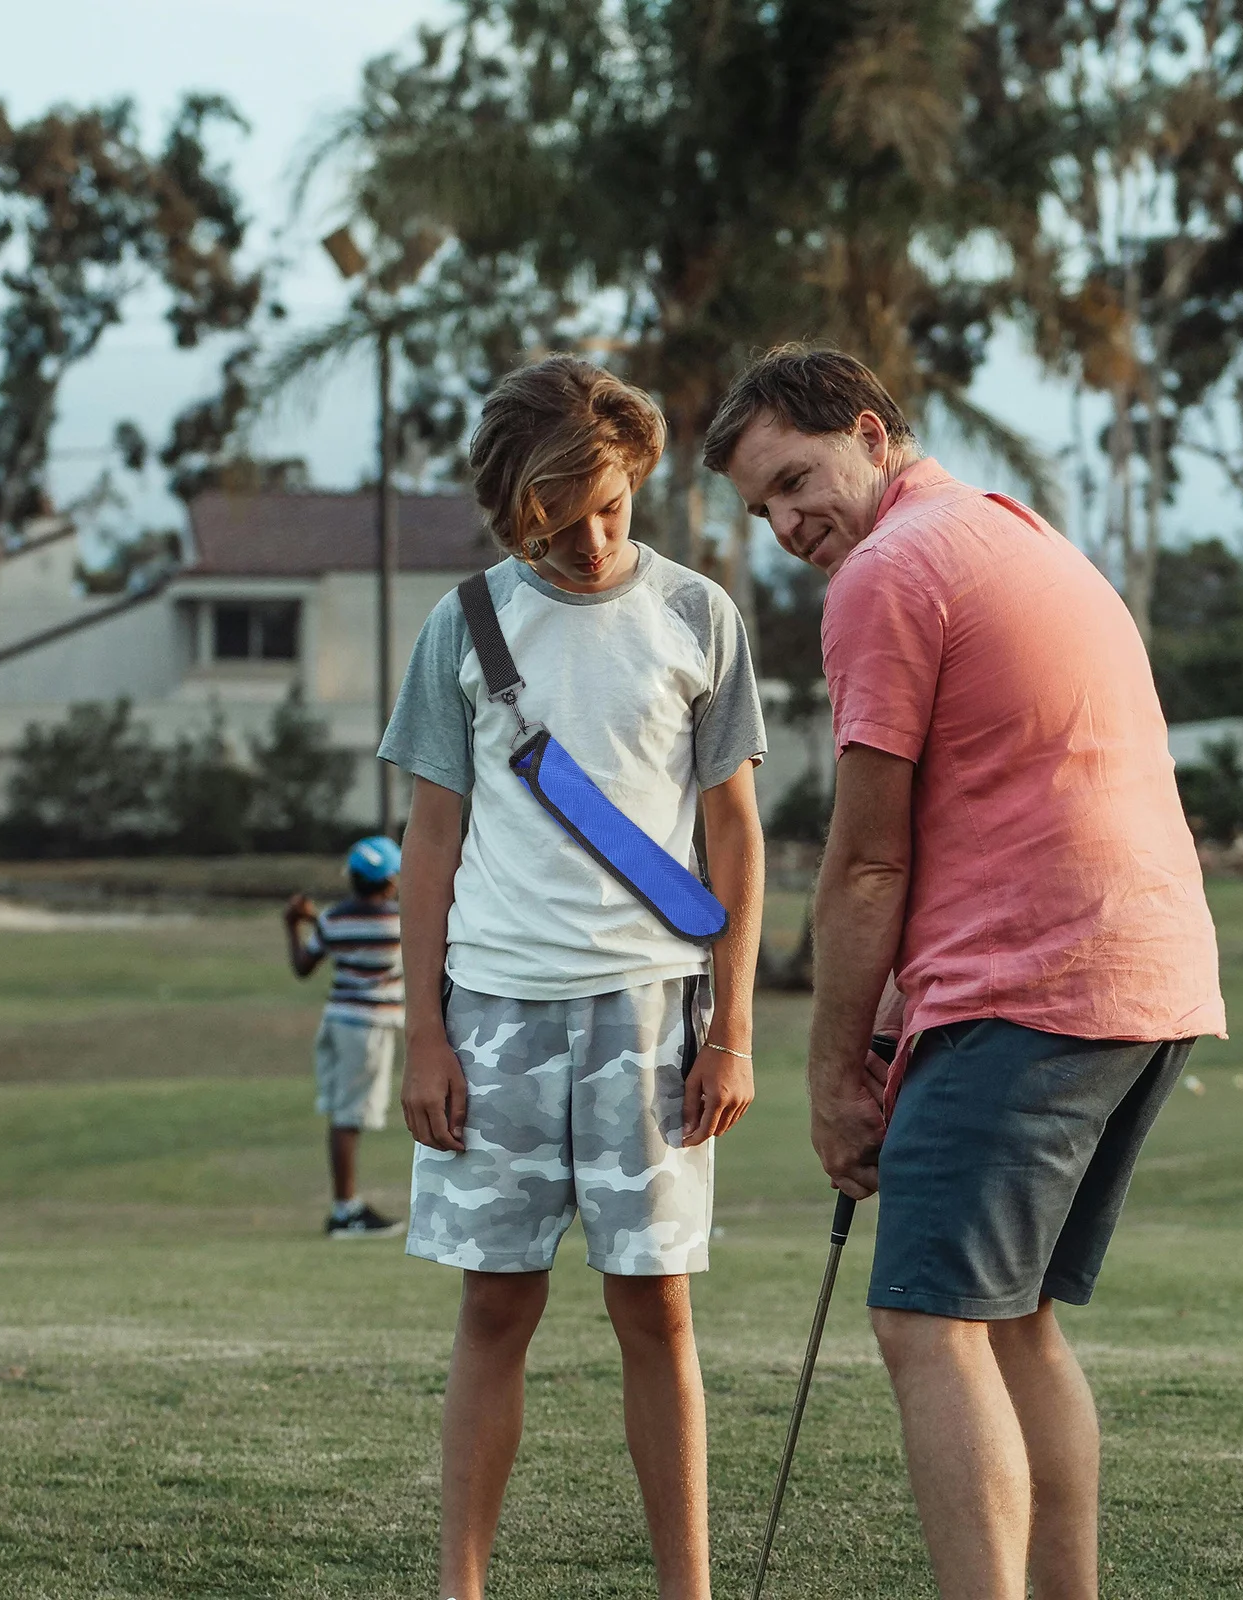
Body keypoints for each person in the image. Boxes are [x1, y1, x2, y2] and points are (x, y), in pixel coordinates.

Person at [705, 344, 1226, 1600]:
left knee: (926, 1322)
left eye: (795, 479)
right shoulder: (1013, 532)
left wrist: (833, 1074)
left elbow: (868, 860)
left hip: (1033, 984)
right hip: (1144, 979)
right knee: (1009, 1319)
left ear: (872, 435)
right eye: (760, 507)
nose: (784, 524)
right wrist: (895, 1005)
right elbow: (995, 800)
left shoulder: (887, 570)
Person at [378, 355, 766, 1600]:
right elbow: (429, 843)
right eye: (563, 510)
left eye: (613, 505)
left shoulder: (699, 616)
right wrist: (422, 1037)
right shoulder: (463, 624)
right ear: (514, 499)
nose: (594, 537)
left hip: (652, 1015)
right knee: (495, 1310)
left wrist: (734, 1030)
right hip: (490, 1015)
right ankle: (463, 1586)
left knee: (656, 1315)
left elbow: (736, 836)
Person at [284, 836, 407, 1239]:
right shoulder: (399, 921)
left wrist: (295, 924)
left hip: (338, 1021)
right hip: (368, 1027)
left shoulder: (335, 919)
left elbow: (305, 965)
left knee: (344, 1115)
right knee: (350, 1117)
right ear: (390, 882)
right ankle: (345, 1212)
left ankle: (345, 1208)